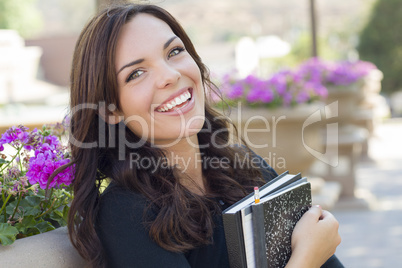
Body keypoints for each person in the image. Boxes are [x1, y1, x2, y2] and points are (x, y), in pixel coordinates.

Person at [64, 3, 342, 268]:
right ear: (111, 111)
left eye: (173, 52)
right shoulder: (126, 213)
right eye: (136, 73)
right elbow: (313, 252)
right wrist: (307, 256)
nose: (169, 75)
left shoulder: (244, 167)